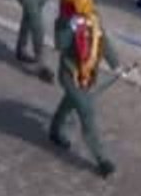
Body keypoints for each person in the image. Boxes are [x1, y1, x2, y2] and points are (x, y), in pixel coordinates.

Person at [48, 12, 126, 179]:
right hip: (70, 75)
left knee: (70, 102)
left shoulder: (93, 16)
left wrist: (117, 66)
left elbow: (103, 40)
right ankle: (102, 159)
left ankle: (55, 129)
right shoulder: (65, 19)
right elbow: (60, 44)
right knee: (87, 111)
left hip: (87, 77)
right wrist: (71, 26)